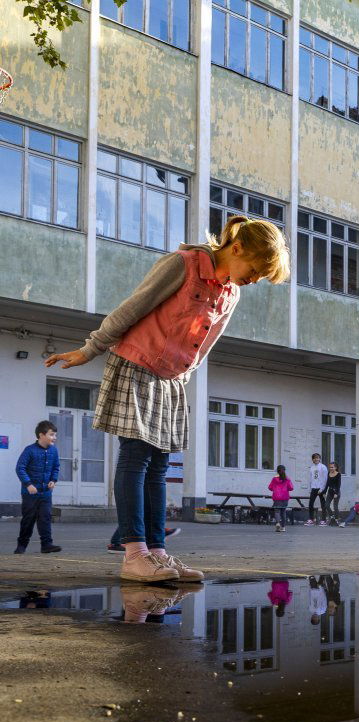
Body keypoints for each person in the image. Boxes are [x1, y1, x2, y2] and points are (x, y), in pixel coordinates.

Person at [45, 215, 289, 582]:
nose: (254, 280)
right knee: (136, 457)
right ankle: (133, 553)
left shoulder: (230, 293)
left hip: (170, 380)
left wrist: (183, 377)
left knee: (160, 464)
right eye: (254, 270)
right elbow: (135, 307)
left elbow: (205, 344)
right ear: (236, 248)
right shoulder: (184, 264)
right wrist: (90, 348)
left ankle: (156, 552)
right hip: (136, 363)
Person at [14, 420, 62, 554]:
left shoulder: (54, 451)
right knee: (28, 519)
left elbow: (56, 467)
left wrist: (53, 480)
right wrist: (28, 484)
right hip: (30, 494)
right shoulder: (29, 450)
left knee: (45, 518)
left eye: (55, 435)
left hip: (46, 493)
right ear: (41, 435)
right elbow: (20, 468)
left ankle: (46, 545)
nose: (54, 438)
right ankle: (21, 546)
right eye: (52, 435)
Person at [305, 453, 329, 527]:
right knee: (310, 504)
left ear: (320, 459)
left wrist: (322, 489)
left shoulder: (323, 467)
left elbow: (325, 478)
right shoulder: (312, 468)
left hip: (321, 488)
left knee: (323, 505)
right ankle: (311, 519)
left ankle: (323, 520)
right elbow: (311, 479)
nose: (316, 459)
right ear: (312, 459)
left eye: (317, 458)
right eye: (314, 458)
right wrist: (310, 488)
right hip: (314, 487)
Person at [268, 465, 293, 533]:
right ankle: (283, 527)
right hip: (285, 497)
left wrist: (275, 489)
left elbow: (270, 487)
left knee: (277, 511)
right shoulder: (287, 479)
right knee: (283, 512)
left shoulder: (274, 478)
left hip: (276, 497)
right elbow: (291, 488)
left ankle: (278, 523)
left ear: (277, 471)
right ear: (284, 470)